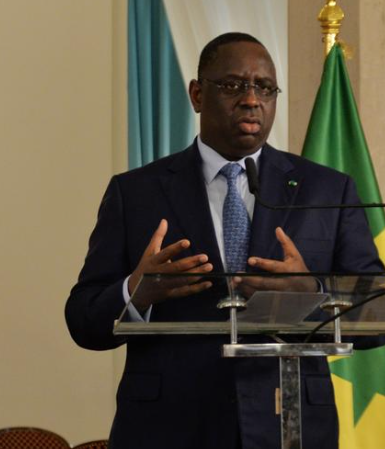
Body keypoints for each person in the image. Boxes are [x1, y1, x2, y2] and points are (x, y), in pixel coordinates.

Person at [65, 32, 383, 449]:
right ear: (197, 94)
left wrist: (312, 291)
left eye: (265, 88)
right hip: (168, 427)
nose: (252, 100)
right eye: (234, 85)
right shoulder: (136, 192)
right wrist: (136, 292)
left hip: (289, 425)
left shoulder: (326, 190)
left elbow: (377, 312)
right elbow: (83, 320)